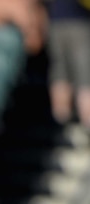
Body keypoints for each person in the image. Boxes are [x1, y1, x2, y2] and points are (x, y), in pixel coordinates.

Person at [46, 0, 90, 138]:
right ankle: (87, 122)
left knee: (60, 73)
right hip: (79, 23)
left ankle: (61, 122)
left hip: (55, 22)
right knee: (85, 77)